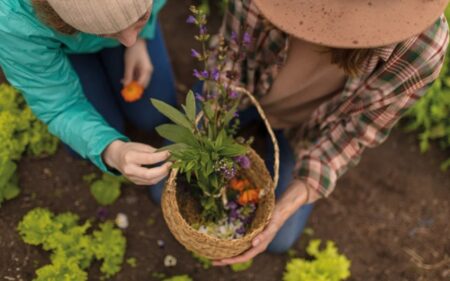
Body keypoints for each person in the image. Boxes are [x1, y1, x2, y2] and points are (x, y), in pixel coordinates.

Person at [211, 0, 449, 266]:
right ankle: (248, 124)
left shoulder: (421, 47)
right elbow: (228, 57)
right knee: (167, 188)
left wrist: (294, 197)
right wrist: (210, 124)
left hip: (305, 129)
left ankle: (274, 137)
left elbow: (355, 133)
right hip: (245, 91)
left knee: (278, 237)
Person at [0, 0, 175, 186]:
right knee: (95, 136)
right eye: (107, 31)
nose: (128, 41)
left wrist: (141, 38)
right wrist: (112, 151)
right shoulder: (13, 18)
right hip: (64, 46)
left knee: (152, 115)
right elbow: (60, 106)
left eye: (141, 16)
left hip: (99, 31)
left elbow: (134, 32)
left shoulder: (130, 35)